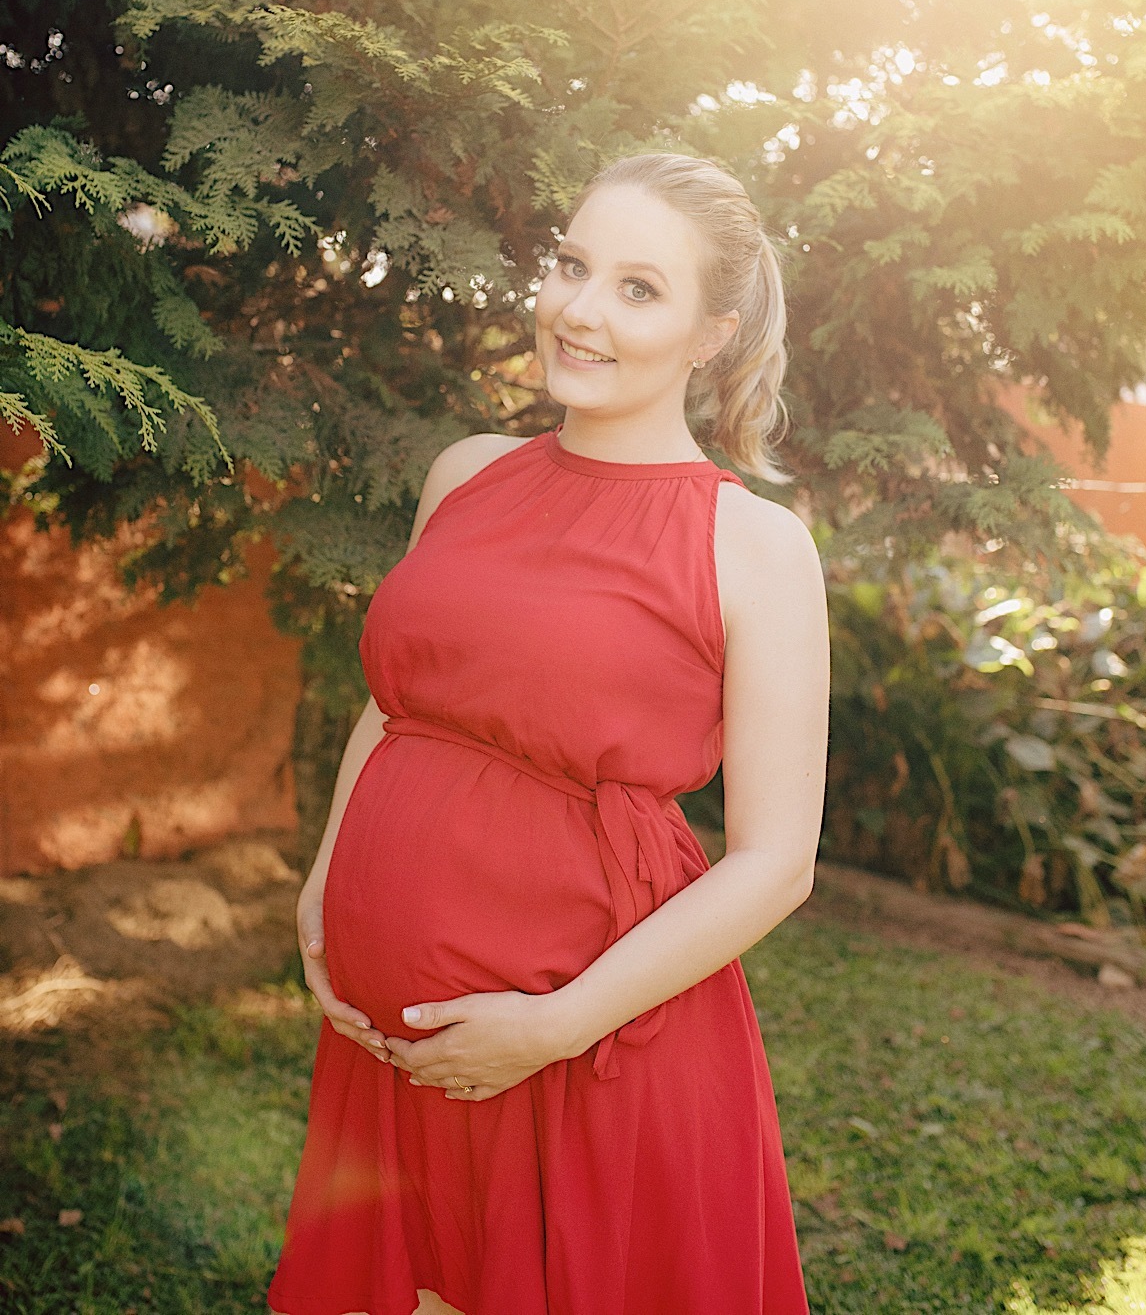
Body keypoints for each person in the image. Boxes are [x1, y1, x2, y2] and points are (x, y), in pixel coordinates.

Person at [266, 150, 830, 1315]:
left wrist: (553, 1027)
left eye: (639, 288)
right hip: (392, 1045)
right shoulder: (465, 474)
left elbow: (777, 862)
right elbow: (401, 702)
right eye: (573, 264)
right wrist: (325, 883)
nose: (579, 310)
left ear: (711, 335)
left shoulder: (752, 547)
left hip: (589, 1048)